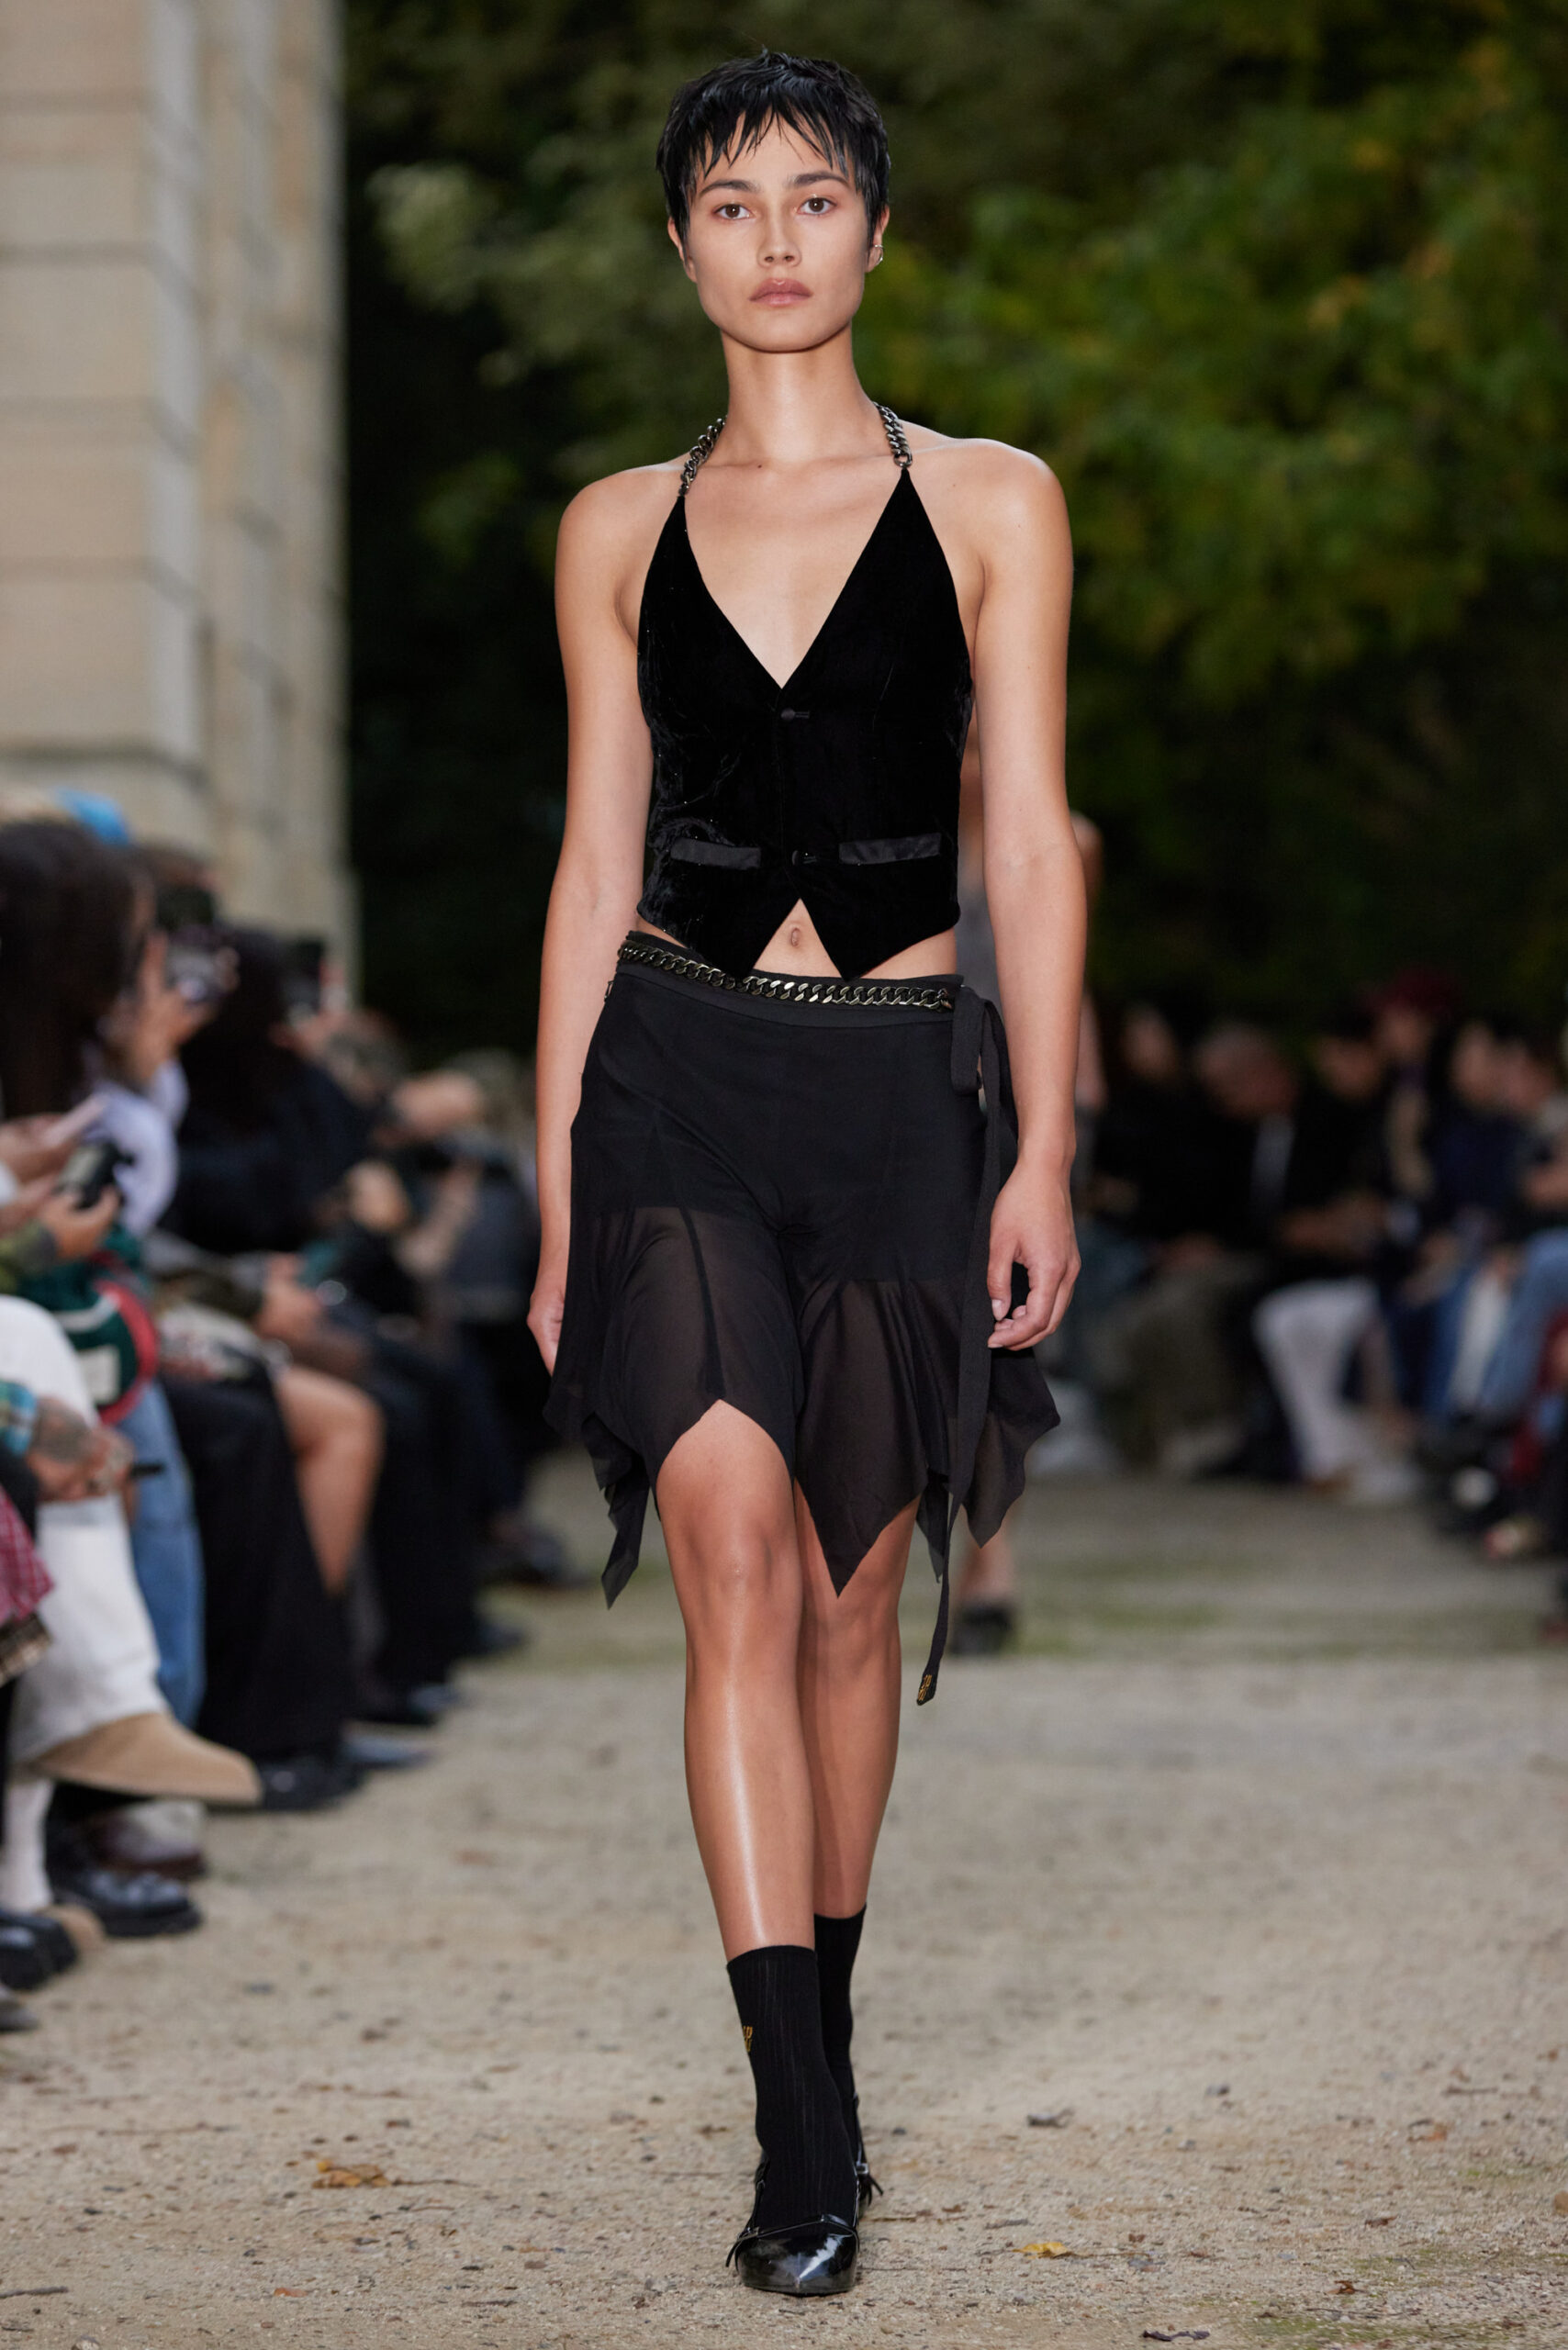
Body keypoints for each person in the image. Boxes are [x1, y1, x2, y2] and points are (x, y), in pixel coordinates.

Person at [527, 54, 1080, 2299]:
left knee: (853, 1590)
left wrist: (1042, 1142)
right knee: (732, 1553)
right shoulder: (610, 526)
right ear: (679, 247)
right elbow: (590, 864)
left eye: (815, 195)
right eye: (732, 201)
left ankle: (817, 2039)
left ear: (874, 231)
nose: (774, 236)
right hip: (671, 1075)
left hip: (893, 1089)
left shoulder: (993, 501)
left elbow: (1026, 842)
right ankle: (797, 2125)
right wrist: (557, 1190)